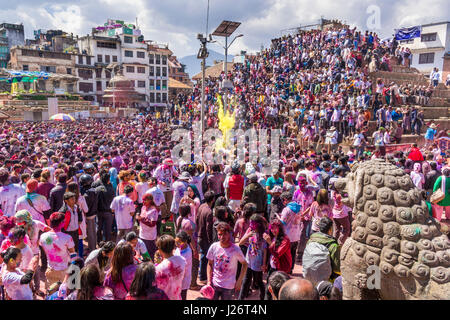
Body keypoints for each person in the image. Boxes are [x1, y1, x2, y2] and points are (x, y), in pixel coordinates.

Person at [207, 222, 247, 300]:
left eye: (224, 234)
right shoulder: (213, 247)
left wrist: (239, 280)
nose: (222, 237)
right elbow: (209, 264)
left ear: (229, 234)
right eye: (220, 234)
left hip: (228, 286)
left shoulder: (235, 249)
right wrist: (209, 281)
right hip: (215, 284)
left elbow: (245, 264)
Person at [39, 212, 76, 291]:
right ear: (61, 223)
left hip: (50, 269)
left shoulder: (43, 236)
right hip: (64, 272)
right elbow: (73, 254)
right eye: (64, 221)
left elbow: (45, 250)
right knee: (65, 294)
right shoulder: (67, 238)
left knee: (52, 293)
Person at [303, 217, 340, 285]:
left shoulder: (310, 240)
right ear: (330, 230)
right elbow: (337, 269)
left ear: (319, 228)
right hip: (326, 282)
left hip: (308, 277)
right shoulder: (333, 245)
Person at [238, 214, 267, 300]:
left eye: (253, 223)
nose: (251, 225)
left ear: (258, 224)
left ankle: (263, 297)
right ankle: (241, 298)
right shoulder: (250, 230)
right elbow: (240, 243)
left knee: (259, 281)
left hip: (258, 262)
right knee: (246, 280)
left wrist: (264, 264)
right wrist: (248, 235)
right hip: (249, 260)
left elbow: (265, 251)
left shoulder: (263, 234)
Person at [155, 234, 186, 300]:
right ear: (173, 247)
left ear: (160, 249)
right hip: (177, 297)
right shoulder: (182, 260)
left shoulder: (159, 269)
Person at [196, 190, 215, 284]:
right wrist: (210, 240)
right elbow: (209, 228)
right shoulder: (209, 212)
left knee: (203, 256)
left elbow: (196, 218)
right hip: (204, 238)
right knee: (205, 257)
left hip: (199, 235)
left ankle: (201, 275)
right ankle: (203, 277)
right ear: (213, 200)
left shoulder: (201, 206)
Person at [279, 200, 302, 273]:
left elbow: (282, 222)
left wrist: (278, 217)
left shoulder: (286, 210)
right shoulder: (299, 210)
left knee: (286, 254)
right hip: (296, 236)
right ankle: (291, 269)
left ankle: (286, 270)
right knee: (293, 253)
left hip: (288, 235)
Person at [93, 170, 116, 243]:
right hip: (108, 212)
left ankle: (99, 242)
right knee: (107, 229)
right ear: (108, 180)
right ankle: (107, 243)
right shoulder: (110, 189)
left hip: (99, 212)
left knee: (98, 228)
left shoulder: (97, 188)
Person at [136, 193, 159, 261]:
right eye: (142, 200)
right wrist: (138, 217)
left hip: (149, 237)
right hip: (142, 234)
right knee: (142, 253)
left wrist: (141, 219)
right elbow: (141, 218)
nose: (143, 202)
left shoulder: (154, 210)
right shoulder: (143, 207)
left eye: (145, 200)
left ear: (150, 201)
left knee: (150, 254)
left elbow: (152, 224)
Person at [174, 230, 192, 299]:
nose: (176, 244)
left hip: (184, 278)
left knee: (182, 295)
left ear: (185, 242)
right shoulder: (179, 248)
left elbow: (183, 267)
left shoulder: (188, 252)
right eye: (176, 241)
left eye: (178, 242)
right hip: (178, 277)